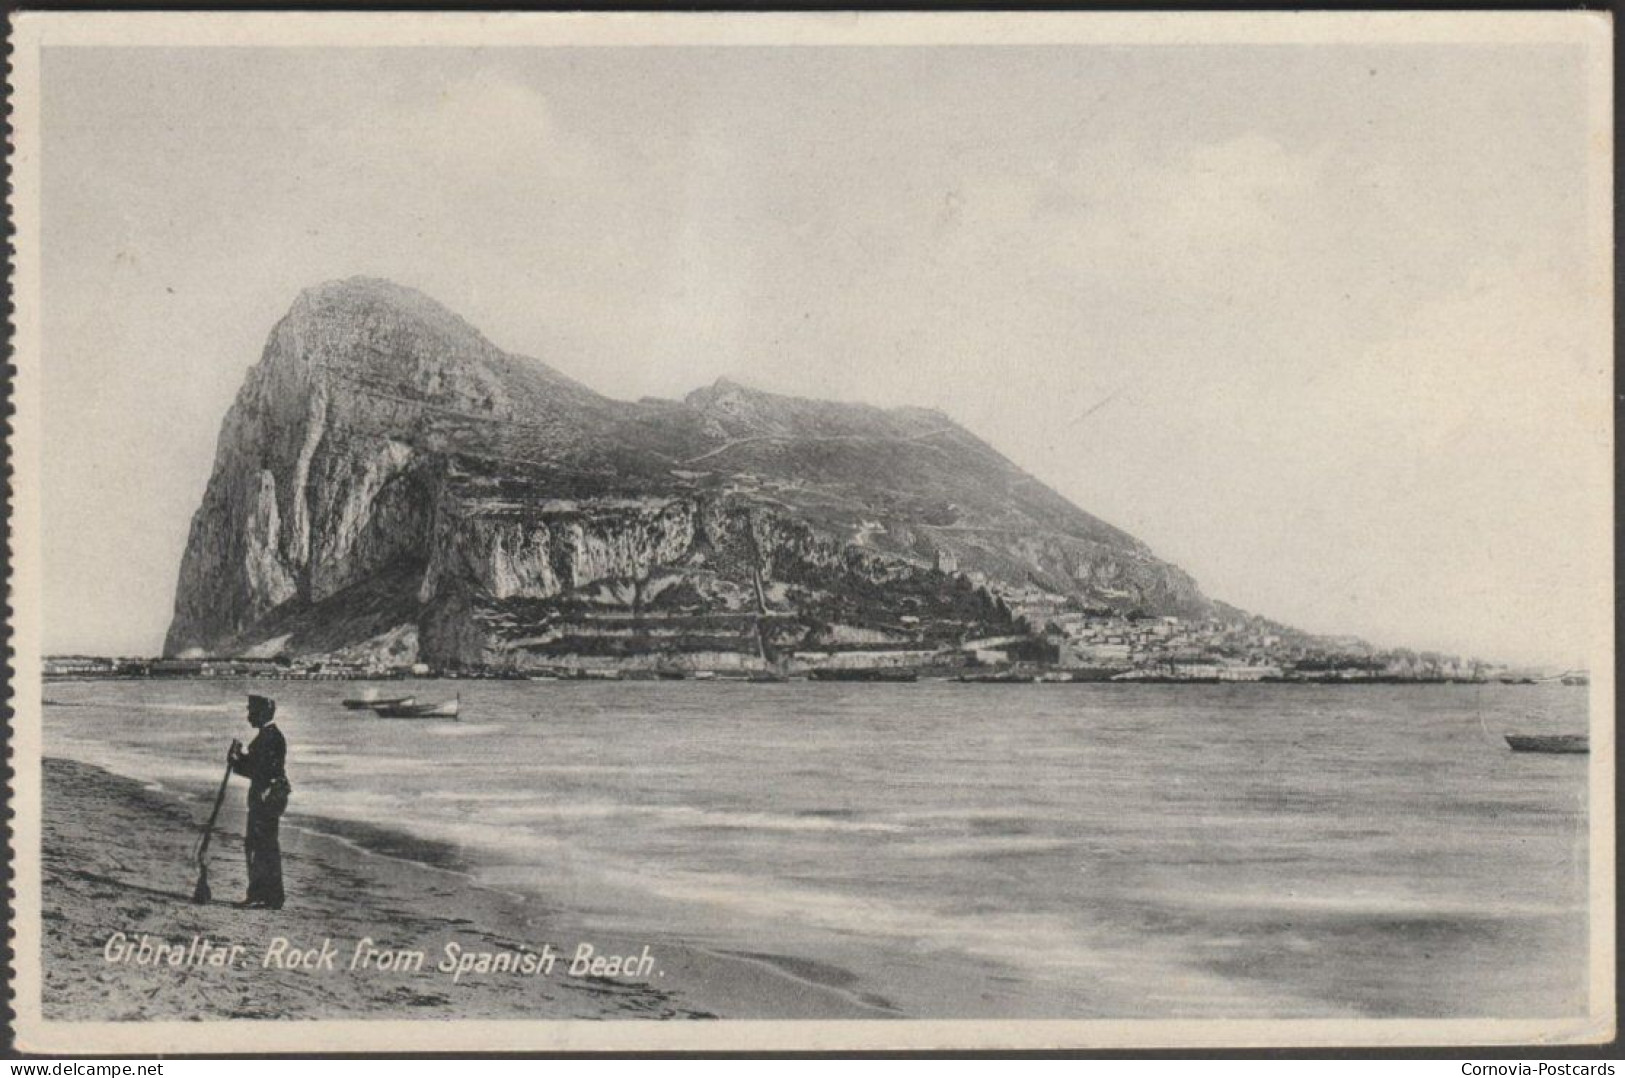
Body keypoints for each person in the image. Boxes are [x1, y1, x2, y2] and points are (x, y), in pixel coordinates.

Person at [228, 694, 289, 909]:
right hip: (270, 794)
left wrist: (236, 761)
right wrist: (238, 759)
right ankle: (268, 896)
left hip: (268, 795)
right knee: (263, 844)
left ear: (263, 713)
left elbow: (259, 771)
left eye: (251, 711)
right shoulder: (268, 736)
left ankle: (263, 895)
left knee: (260, 844)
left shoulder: (270, 738)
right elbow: (257, 767)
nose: (248, 716)